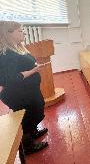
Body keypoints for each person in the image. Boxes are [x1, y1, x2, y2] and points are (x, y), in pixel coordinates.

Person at [0, 21, 48, 154]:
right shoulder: (5, 54)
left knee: (36, 108)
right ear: (8, 34)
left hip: (28, 91)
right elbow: (10, 79)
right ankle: (28, 145)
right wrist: (33, 71)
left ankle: (33, 131)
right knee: (28, 116)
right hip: (18, 94)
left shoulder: (17, 48)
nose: (24, 33)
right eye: (20, 31)